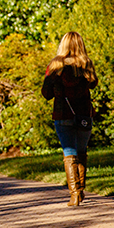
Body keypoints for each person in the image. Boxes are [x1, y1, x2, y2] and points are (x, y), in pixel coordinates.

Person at [41, 31, 98, 206]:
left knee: (69, 153)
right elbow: (93, 83)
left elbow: (46, 94)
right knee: (81, 153)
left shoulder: (56, 65)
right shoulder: (86, 63)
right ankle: (80, 191)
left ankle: (74, 195)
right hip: (83, 115)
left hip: (63, 113)